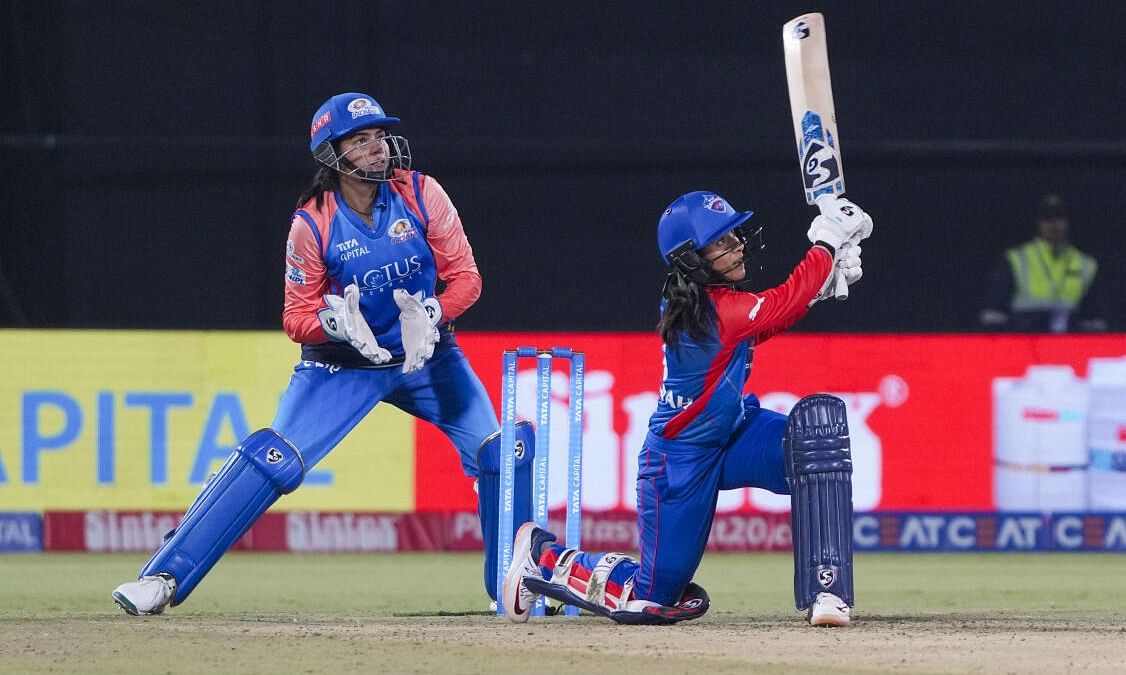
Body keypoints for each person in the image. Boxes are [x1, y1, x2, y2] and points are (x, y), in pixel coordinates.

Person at [112, 92, 516, 615]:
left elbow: (467, 278)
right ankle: (162, 578)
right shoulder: (312, 223)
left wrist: (433, 313)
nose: (377, 149)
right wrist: (334, 324)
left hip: (427, 359)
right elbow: (294, 318)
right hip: (341, 368)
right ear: (332, 154)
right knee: (271, 461)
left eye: (378, 136)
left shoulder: (421, 193)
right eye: (360, 140)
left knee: (499, 455)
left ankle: (510, 588)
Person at [501, 190, 873, 626]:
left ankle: (826, 592)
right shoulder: (717, 311)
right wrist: (826, 244)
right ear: (691, 258)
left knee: (817, 442)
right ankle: (542, 557)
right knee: (652, 599)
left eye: (734, 236)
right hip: (678, 461)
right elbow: (776, 307)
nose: (736, 247)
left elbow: (767, 320)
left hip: (735, 435)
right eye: (721, 243)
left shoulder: (703, 303)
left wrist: (821, 282)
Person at [980, 194, 1105, 333]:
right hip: (1026, 343)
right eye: (1047, 219)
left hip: (1069, 345)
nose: (1054, 224)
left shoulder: (1086, 264)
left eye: (1059, 218)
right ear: (1039, 223)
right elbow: (993, 314)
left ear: (1067, 222)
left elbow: (1095, 318)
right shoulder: (1015, 259)